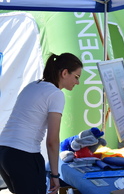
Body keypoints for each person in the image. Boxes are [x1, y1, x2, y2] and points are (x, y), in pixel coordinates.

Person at [0, 53, 83, 194]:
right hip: (24, 154)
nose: (77, 83)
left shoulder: (32, 86)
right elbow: (52, 141)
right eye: (76, 77)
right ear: (64, 73)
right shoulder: (56, 94)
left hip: (4, 152)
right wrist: (55, 175)